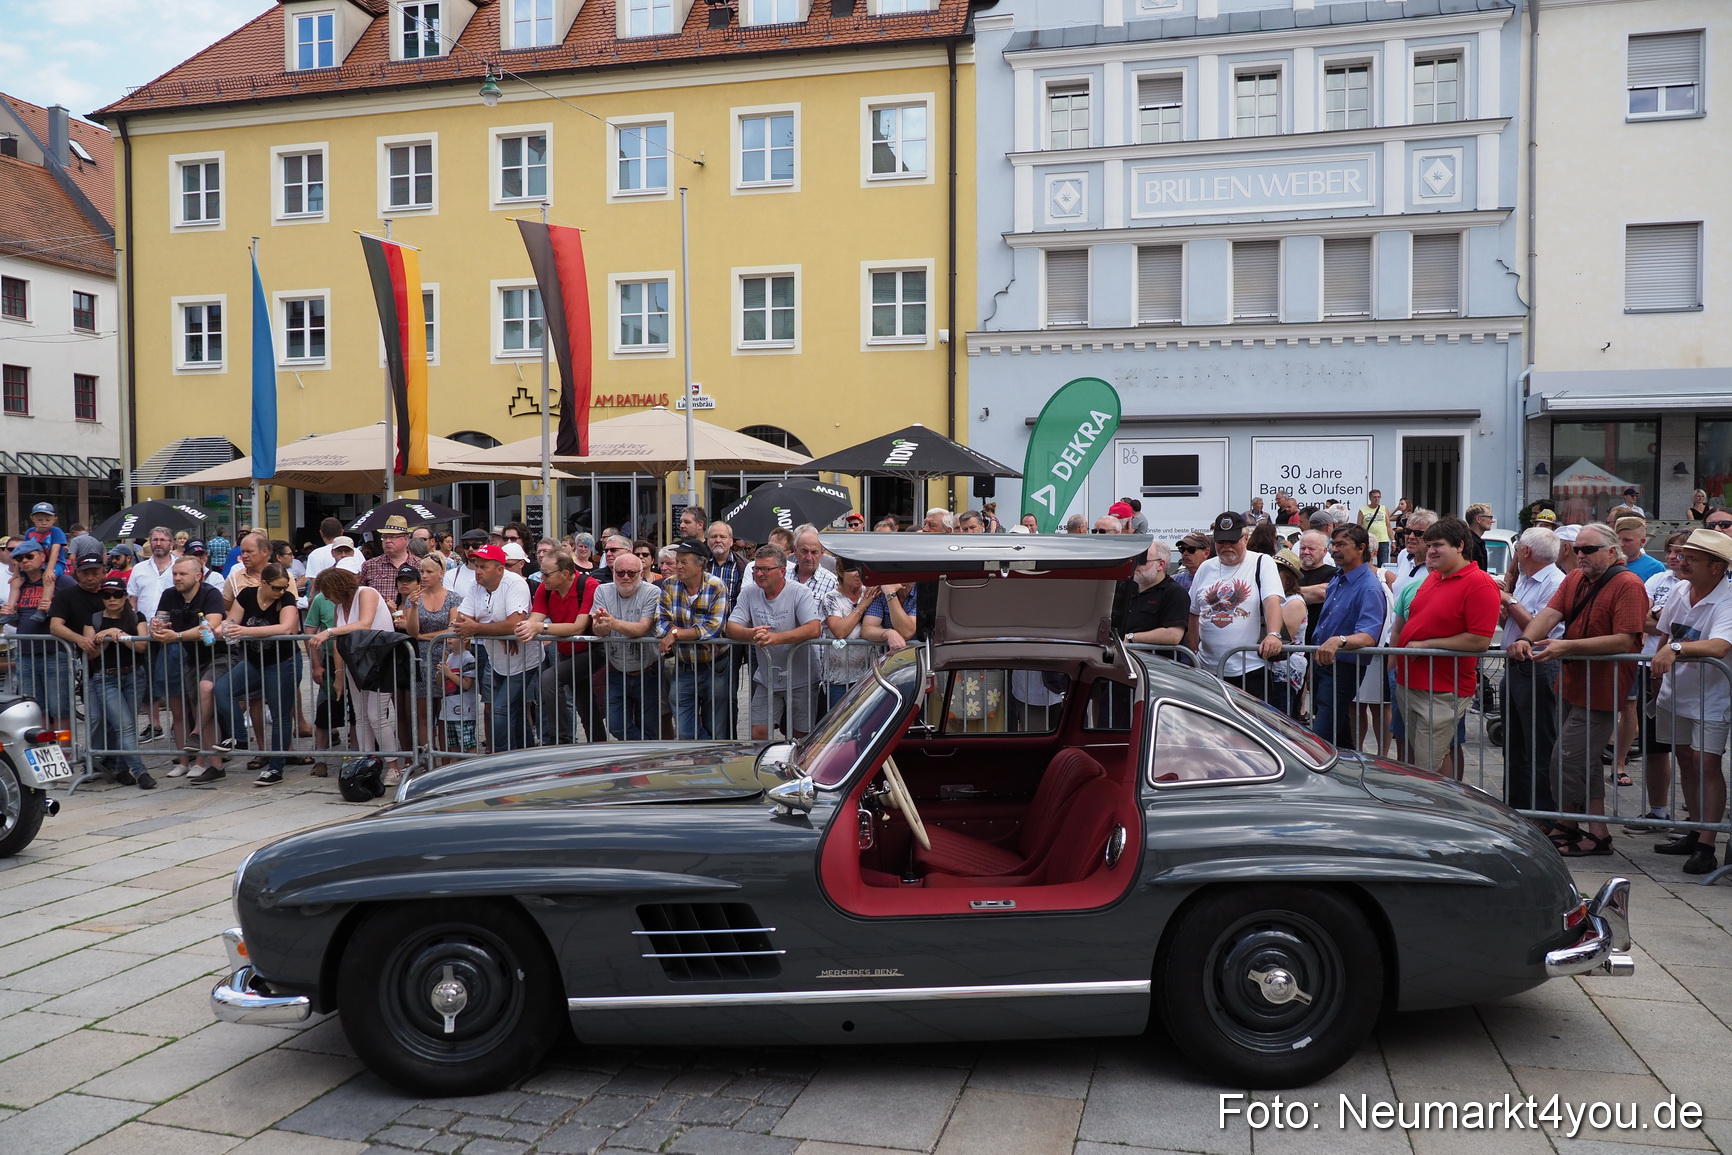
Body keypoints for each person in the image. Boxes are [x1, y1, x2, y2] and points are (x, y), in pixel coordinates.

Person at [1508, 522, 1647, 857]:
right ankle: (1594, 831)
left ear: (1612, 552)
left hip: (1601, 687)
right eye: (1577, 548)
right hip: (1571, 682)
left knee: (1567, 758)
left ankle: (1569, 824)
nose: (1579, 554)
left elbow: (1625, 639)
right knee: (1583, 762)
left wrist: (1567, 646)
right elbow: (1550, 614)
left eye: (1589, 549)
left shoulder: (1628, 584)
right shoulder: (1574, 579)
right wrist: (1526, 638)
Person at [1647, 529, 1732, 874]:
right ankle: (1695, 829)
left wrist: (1676, 648)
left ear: (1716, 567)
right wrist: (1656, 676)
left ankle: (1707, 844)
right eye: (1683, 556)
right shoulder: (1681, 590)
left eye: (1692, 559)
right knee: (1685, 758)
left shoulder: (1728, 599)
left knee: (1706, 764)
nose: (1682, 563)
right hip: (1675, 692)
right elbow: (1665, 634)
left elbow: (1719, 646)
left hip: (1711, 697)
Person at [1394, 517, 1500, 777]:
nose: (1430, 551)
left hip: (1442, 690)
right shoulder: (1434, 578)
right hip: (1412, 683)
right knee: (1424, 759)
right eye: (1429, 544)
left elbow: (1480, 640)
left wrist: (1427, 645)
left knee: (1428, 764)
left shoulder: (1480, 583)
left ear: (1460, 546)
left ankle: (1437, 802)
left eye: (1437, 545)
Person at [311, 566, 404, 781]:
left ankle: (393, 766)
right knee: (360, 716)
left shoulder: (366, 593)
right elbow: (339, 644)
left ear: (338, 587)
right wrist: (339, 673)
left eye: (328, 592)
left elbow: (364, 623)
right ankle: (367, 763)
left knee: (376, 716)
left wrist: (328, 631)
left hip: (381, 660)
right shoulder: (338, 608)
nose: (327, 598)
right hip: (356, 663)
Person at [212, 563, 302, 786]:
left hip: (283, 661)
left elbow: (286, 628)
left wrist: (245, 631)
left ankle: (276, 768)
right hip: (255, 661)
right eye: (276, 587)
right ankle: (240, 736)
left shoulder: (286, 598)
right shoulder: (247, 595)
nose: (281, 591)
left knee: (280, 715)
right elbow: (231, 622)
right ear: (263, 583)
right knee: (222, 688)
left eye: (284, 587)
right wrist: (218, 630)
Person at [1498, 527, 1565, 813]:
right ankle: (1516, 809)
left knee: (1539, 746)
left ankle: (1543, 813)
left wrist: (1509, 600)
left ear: (1525, 551)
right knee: (1514, 745)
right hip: (1516, 666)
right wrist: (1505, 610)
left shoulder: (1555, 582)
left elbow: (1539, 629)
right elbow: (1513, 623)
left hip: (1537, 667)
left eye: (1517, 549)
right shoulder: (1526, 579)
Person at [1185, 512, 1285, 700]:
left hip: (1250, 669)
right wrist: (1194, 651)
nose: (1226, 546)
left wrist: (1273, 634)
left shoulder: (1262, 562)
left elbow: (1271, 600)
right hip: (1208, 670)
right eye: (1221, 541)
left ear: (1245, 539)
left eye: (1232, 541)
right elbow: (1193, 612)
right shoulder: (1205, 567)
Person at [726, 544, 822, 740]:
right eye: (756, 569)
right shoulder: (749, 592)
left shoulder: (799, 592)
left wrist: (776, 638)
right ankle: (763, 759)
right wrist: (751, 634)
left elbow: (814, 628)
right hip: (767, 677)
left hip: (801, 678)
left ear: (782, 571)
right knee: (758, 731)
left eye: (766, 569)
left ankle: (794, 760)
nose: (759, 574)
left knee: (800, 735)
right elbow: (731, 627)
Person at [452, 542, 541, 753]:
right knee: (516, 712)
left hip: (523, 660)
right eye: (476, 565)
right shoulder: (475, 585)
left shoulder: (515, 583)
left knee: (500, 710)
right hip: (497, 659)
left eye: (483, 566)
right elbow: (461, 621)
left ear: (500, 569)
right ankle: (525, 756)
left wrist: (481, 628)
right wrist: (495, 631)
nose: (478, 571)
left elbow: (514, 624)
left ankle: (503, 759)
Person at [150, 555, 227, 781]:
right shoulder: (169, 595)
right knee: (178, 709)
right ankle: (186, 761)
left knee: (202, 703)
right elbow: (160, 621)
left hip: (214, 655)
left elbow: (209, 627)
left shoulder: (211, 594)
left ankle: (205, 761)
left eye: (183, 574)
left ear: (198, 576)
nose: (177, 578)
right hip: (186, 655)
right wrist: (157, 627)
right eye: (175, 574)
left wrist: (177, 635)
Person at [1310, 526, 1387, 749]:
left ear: (1361, 548)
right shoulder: (1339, 577)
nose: (1335, 549)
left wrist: (1340, 640)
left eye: (1341, 545)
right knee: (1339, 732)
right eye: (1333, 544)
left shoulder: (1369, 587)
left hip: (1342, 669)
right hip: (1323, 665)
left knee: (1321, 737)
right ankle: (1351, 765)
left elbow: (1369, 635)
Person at [83, 576, 155, 789]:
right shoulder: (94, 619)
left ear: (125, 596)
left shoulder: (136, 616)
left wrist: (119, 634)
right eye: (107, 595)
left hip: (134, 674)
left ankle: (121, 769)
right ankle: (141, 772)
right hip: (106, 677)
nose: (111, 599)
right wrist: (106, 637)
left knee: (127, 724)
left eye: (116, 595)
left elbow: (142, 646)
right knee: (125, 726)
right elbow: (90, 653)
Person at [520, 550, 596, 745]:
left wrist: (541, 628)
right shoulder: (545, 588)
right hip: (566, 651)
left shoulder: (589, 585)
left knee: (551, 679)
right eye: (541, 572)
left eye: (546, 574)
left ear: (565, 573)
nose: (541, 577)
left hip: (592, 651)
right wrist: (524, 627)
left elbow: (578, 626)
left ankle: (562, 740)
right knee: (586, 706)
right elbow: (534, 619)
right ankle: (594, 743)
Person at [657, 539, 731, 740]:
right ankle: (702, 754)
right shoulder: (669, 584)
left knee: (715, 726)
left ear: (700, 565)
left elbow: (713, 628)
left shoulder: (716, 586)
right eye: (677, 561)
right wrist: (693, 633)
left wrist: (675, 634)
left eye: (684, 562)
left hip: (714, 666)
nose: (679, 566)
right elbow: (660, 622)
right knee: (684, 730)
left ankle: (713, 755)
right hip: (684, 666)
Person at [591, 549, 661, 740]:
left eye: (631, 573)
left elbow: (642, 628)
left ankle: (646, 754)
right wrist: (600, 626)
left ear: (641, 573)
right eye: (620, 572)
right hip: (616, 670)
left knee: (649, 727)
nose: (626, 577)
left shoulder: (652, 592)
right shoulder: (602, 590)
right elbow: (598, 631)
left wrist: (612, 623)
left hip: (648, 671)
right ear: (613, 572)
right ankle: (642, 750)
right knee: (615, 726)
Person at [402, 554, 455, 757]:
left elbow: (452, 629)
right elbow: (412, 631)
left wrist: (424, 637)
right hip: (422, 658)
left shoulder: (453, 597)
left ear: (441, 573)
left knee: (444, 712)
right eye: (422, 571)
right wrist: (414, 607)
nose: (424, 576)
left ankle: (445, 758)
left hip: (445, 656)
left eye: (429, 572)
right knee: (423, 712)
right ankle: (428, 757)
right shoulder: (414, 599)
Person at [820, 558, 881, 709]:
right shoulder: (831, 598)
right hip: (839, 679)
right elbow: (840, 631)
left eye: (861, 569)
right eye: (852, 570)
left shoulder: (870, 592)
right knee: (839, 720)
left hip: (869, 676)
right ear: (840, 572)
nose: (858, 574)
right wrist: (862, 606)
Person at [1116, 539, 1188, 646]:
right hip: (1121, 653)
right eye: (1134, 560)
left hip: (1151, 656)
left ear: (1161, 565)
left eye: (1142, 561)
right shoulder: (1126, 588)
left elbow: (1173, 635)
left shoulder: (1174, 593)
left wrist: (1130, 638)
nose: (1136, 565)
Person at [358, 514, 415, 600]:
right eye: (384, 537)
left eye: (392, 537)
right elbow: (358, 594)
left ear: (406, 539)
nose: (387, 541)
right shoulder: (370, 565)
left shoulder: (419, 565)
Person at [1295, 529, 1335, 641]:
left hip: (1320, 636)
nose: (1306, 552)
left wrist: (1290, 592)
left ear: (1324, 551)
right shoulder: (1291, 572)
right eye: (1303, 548)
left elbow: (1322, 593)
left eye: (1311, 549)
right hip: (1294, 637)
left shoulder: (1333, 573)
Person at [787, 525, 838, 601]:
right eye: (804, 551)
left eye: (814, 552)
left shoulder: (832, 583)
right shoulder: (783, 577)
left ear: (822, 553)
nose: (809, 558)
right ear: (795, 550)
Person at [23, 501, 69, 579]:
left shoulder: (56, 532)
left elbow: (55, 551)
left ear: (54, 519)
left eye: (48, 520)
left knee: (48, 577)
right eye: (39, 520)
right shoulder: (29, 532)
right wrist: (16, 572)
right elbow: (24, 551)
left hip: (56, 563)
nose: (44, 523)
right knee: (20, 578)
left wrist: (49, 569)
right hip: (36, 563)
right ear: (32, 519)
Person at [1357, 489, 1393, 565]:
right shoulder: (1363, 510)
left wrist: (1393, 540)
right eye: (1374, 497)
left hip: (1383, 540)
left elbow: (1388, 526)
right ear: (1370, 498)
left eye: (1378, 497)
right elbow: (1359, 527)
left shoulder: (1384, 509)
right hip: (1370, 540)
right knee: (1367, 562)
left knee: (1383, 563)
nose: (1377, 499)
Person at [1463, 504, 1494, 571]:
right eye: (1489, 518)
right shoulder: (1469, 544)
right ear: (1478, 519)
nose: (1492, 521)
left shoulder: (1475, 542)